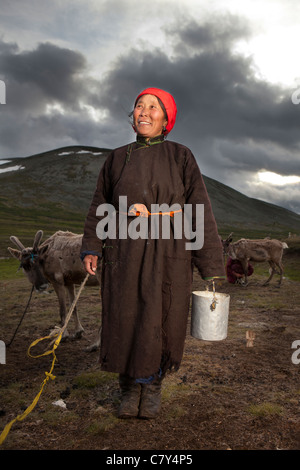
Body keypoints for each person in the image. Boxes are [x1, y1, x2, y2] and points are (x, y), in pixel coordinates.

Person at [80, 87, 225, 419]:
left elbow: (199, 209)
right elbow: (98, 205)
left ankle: (153, 384)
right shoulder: (117, 158)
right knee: (124, 316)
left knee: (160, 319)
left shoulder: (180, 156)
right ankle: (129, 387)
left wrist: (210, 263)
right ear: (132, 118)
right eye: (138, 107)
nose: (143, 112)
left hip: (168, 250)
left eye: (152, 107)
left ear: (166, 118)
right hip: (123, 251)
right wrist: (92, 246)